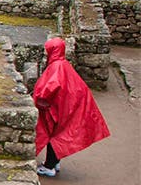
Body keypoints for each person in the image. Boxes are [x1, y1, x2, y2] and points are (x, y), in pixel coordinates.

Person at [33, 37, 110, 176]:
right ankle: (54, 162)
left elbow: (50, 88)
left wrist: (39, 99)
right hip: (69, 106)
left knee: (56, 134)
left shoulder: (56, 67)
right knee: (61, 134)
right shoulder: (63, 64)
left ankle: (49, 166)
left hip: (63, 107)